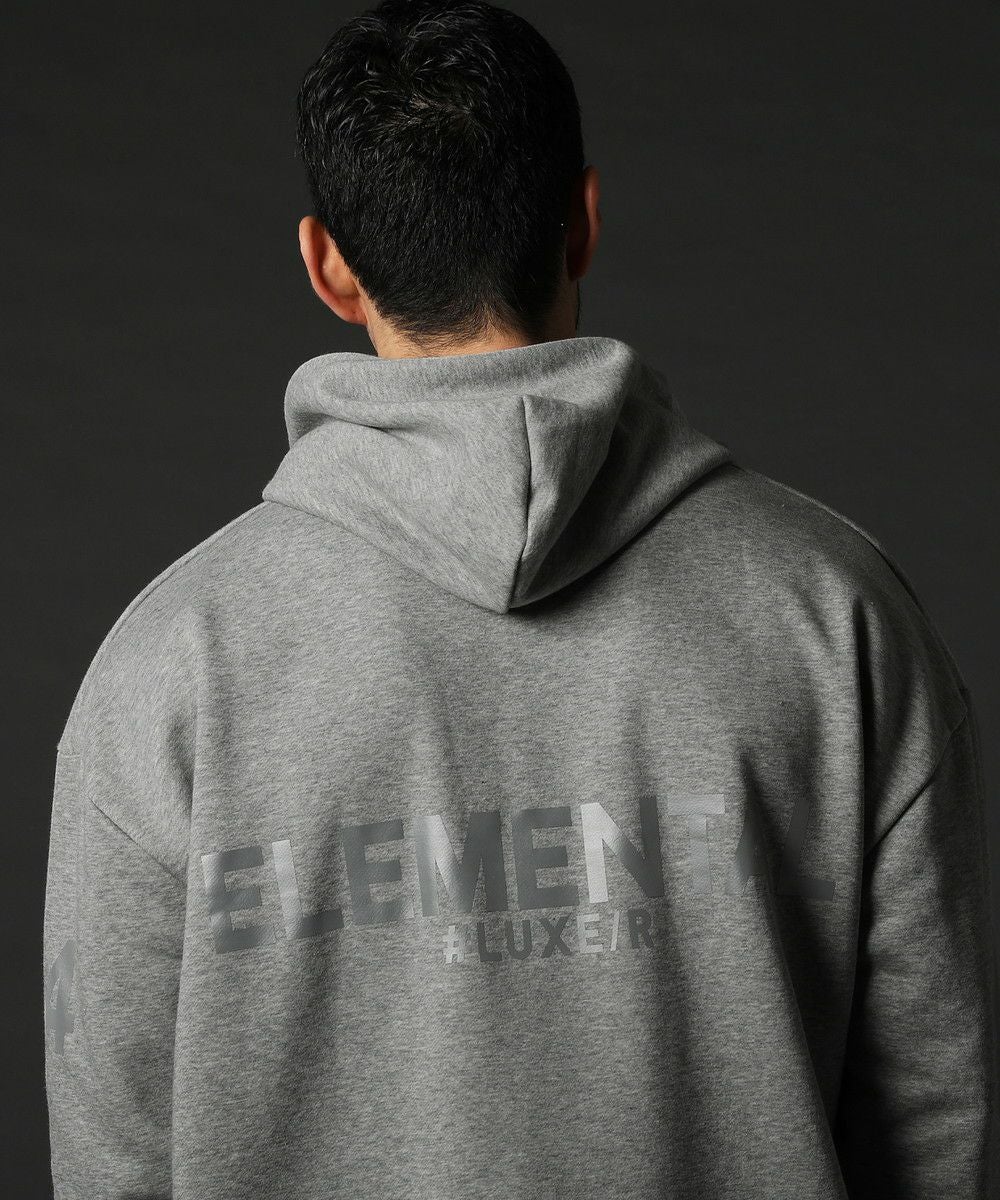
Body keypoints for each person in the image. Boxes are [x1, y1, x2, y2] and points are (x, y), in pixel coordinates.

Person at [43, 1, 998, 1196]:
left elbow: (115, 1149)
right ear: (582, 222)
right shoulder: (834, 611)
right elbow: (932, 1116)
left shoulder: (170, 664)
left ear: (327, 265)